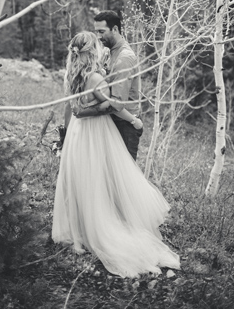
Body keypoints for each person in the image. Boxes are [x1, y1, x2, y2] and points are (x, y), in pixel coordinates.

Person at [51, 31, 179, 277]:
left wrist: (66, 134)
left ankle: (81, 232)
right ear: (92, 51)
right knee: (98, 181)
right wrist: (135, 120)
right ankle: (100, 230)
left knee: (80, 182)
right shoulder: (96, 77)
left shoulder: (71, 76)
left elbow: (70, 108)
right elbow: (114, 106)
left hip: (77, 135)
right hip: (95, 135)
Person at [77, 10, 144, 158]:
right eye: (96, 32)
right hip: (113, 121)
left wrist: (84, 111)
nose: (98, 37)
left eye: (102, 31)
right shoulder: (109, 52)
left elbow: (116, 104)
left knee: (124, 177)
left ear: (115, 29)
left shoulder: (124, 58)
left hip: (126, 125)